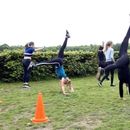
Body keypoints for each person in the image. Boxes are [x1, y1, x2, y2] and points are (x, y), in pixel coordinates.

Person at [31, 30, 74, 95]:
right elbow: (64, 85)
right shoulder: (63, 78)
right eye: (67, 80)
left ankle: (66, 37)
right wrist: (65, 92)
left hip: (60, 60)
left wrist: (70, 89)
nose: (67, 79)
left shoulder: (63, 78)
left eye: (67, 80)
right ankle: (35, 65)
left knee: (62, 48)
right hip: (59, 62)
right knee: (47, 62)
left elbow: (65, 84)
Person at [96, 25, 130, 99]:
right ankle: (103, 70)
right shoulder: (127, 78)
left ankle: (103, 70)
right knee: (117, 65)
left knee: (116, 66)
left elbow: (127, 36)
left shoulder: (123, 78)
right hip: (124, 61)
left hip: (121, 63)